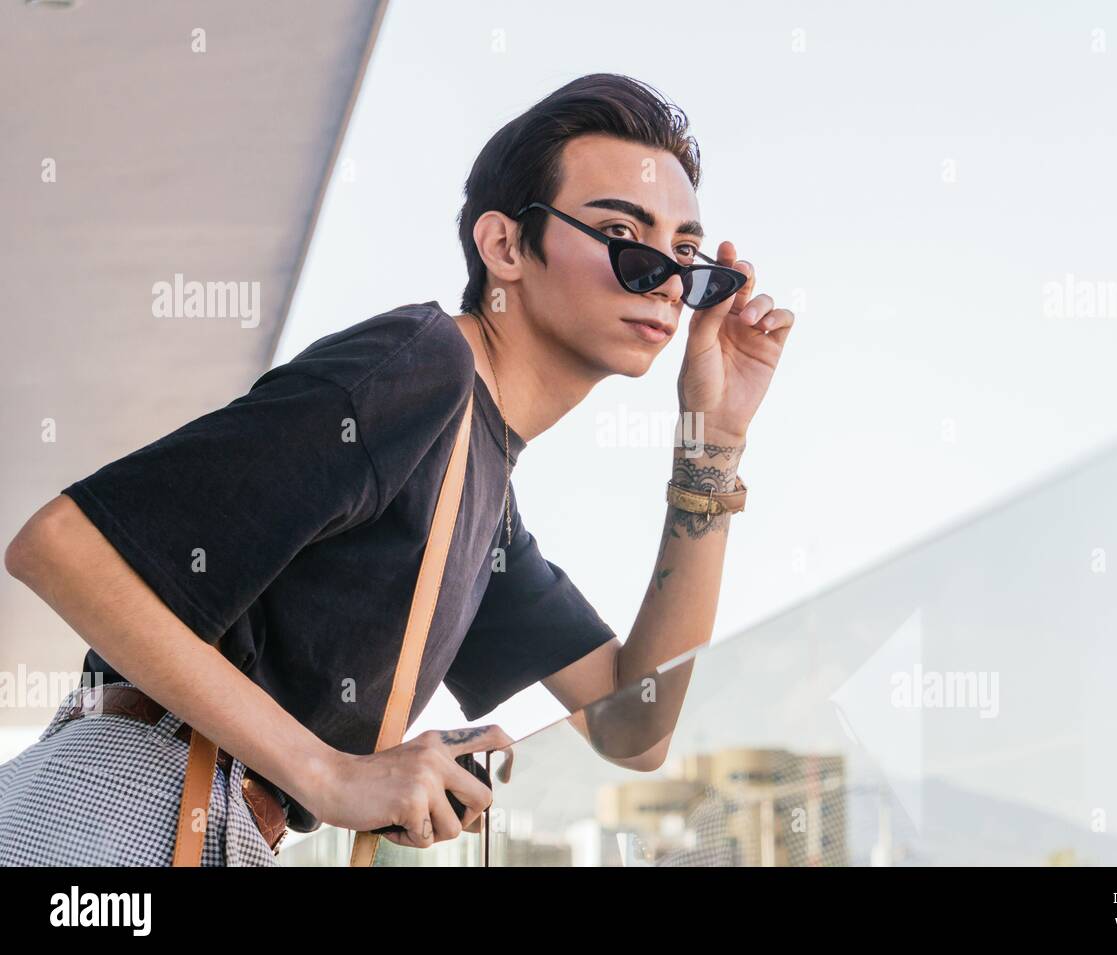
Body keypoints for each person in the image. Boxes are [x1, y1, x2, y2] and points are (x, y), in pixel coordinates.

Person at [0, 72, 795, 865]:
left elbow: (635, 723)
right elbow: (62, 546)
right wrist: (332, 775)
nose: (663, 278)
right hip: (125, 816)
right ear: (505, 246)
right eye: (624, 236)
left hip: (210, 831)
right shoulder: (421, 364)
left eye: (685, 254)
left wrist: (711, 442)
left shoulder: (485, 497)